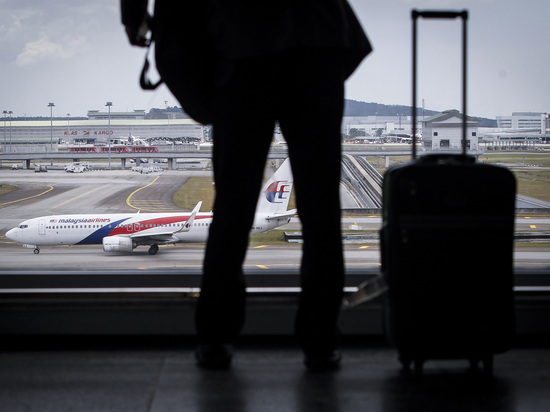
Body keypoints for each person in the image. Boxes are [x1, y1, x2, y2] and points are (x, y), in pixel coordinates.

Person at [121, 0, 371, 372]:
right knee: (321, 210)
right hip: (315, 43)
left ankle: (215, 338)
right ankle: (320, 340)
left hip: (243, 49)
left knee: (232, 209)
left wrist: (134, 17)